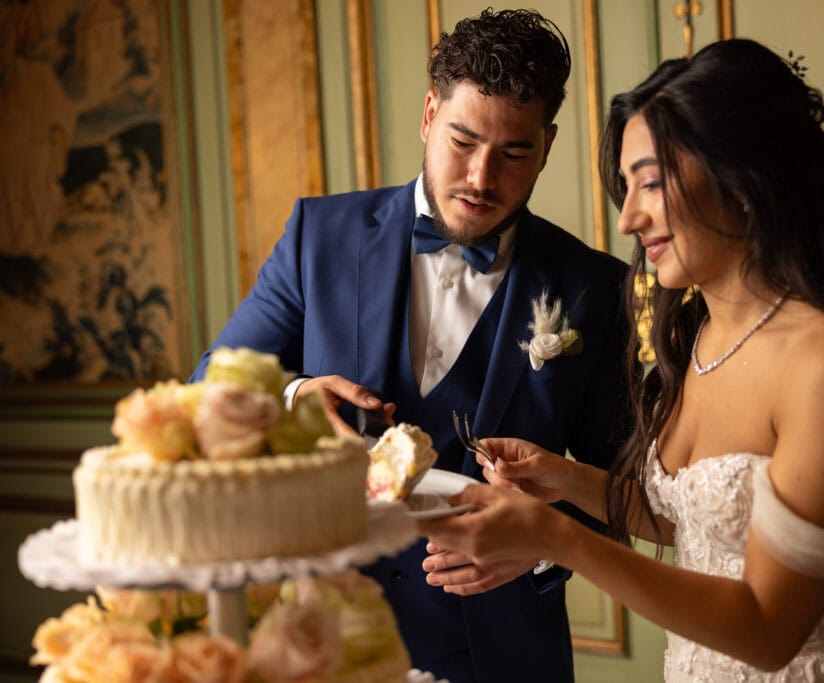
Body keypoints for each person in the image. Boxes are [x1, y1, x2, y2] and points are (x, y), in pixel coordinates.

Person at [420, 38, 824, 681]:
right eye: (627, 187)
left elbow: (770, 630)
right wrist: (565, 479)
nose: (629, 217)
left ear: (742, 178)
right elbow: (692, 522)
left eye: (650, 184)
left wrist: (554, 535)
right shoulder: (696, 337)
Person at [192, 8, 632, 682]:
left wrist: (545, 547)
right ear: (429, 116)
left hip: (502, 658)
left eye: (514, 152)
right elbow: (208, 387)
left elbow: (628, 490)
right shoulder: (320, 236)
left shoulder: (594, 288)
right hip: (319, 641)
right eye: (462, 140)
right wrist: (295, 397)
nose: (482, 177)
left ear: (546, 145)